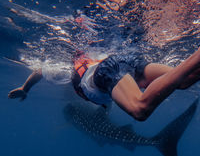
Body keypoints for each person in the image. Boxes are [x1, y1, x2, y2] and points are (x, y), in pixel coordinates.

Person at [8, 48, 200, 121]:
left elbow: (40, 71)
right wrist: (25, 88)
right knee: (184, 81)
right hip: (127, 62)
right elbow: (40, 70)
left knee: (140, 109)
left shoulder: (68, 70)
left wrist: (25, 88)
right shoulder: (86, 61)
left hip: (107, 71)